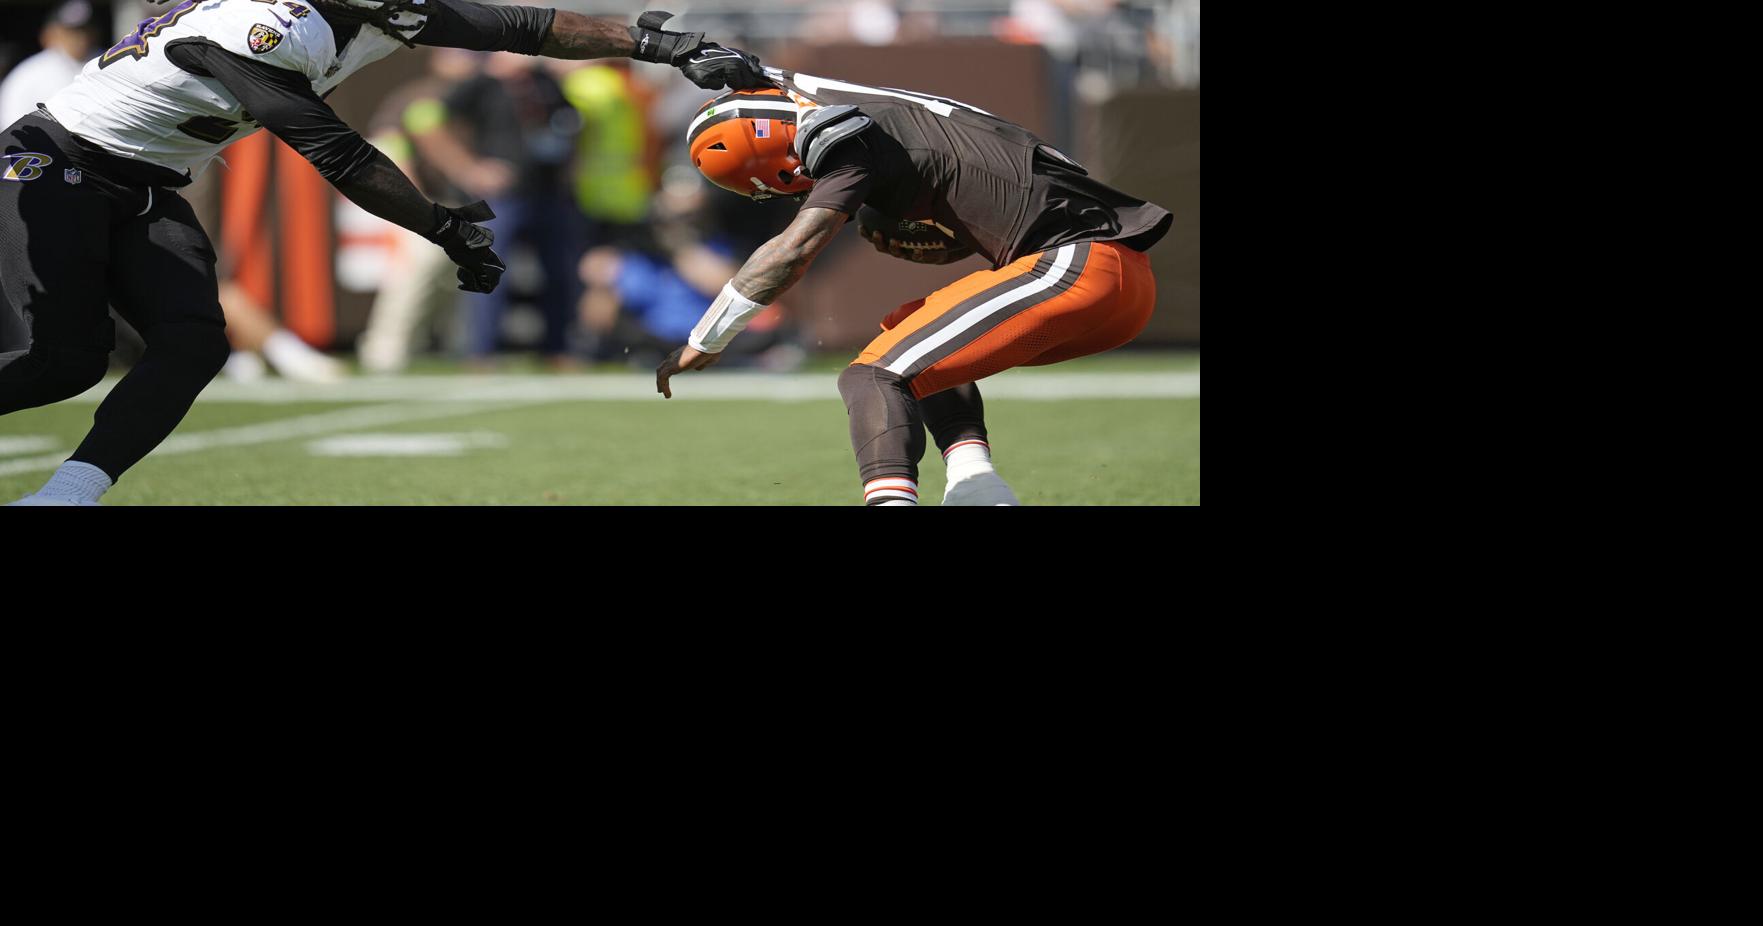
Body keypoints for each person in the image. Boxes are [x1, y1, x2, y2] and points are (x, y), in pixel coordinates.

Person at [2, 0, 769, 505]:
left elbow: (525, 28)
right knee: (60, 359)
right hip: (54, 163)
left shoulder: (373, 7)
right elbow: (336, 154)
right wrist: (440, 226)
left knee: (194, 342)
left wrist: (660, 43)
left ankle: (64, 496)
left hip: (145, 180)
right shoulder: (254, 29)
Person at [655, 73, 1172, 506]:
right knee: (905, 334)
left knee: (872, 378)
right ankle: (977, 485)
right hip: (1114, 280)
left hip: (1076, 266)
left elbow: (788, 254)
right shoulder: (899, 120)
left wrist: (706, 340)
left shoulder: (850, 142)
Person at [0, 0, 97, 127]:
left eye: (85, 30)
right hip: (40, 145)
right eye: (72, 31)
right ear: (55, 32)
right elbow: (10, 122)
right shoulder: (30, 72)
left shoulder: (105, 62)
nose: (80, 38)